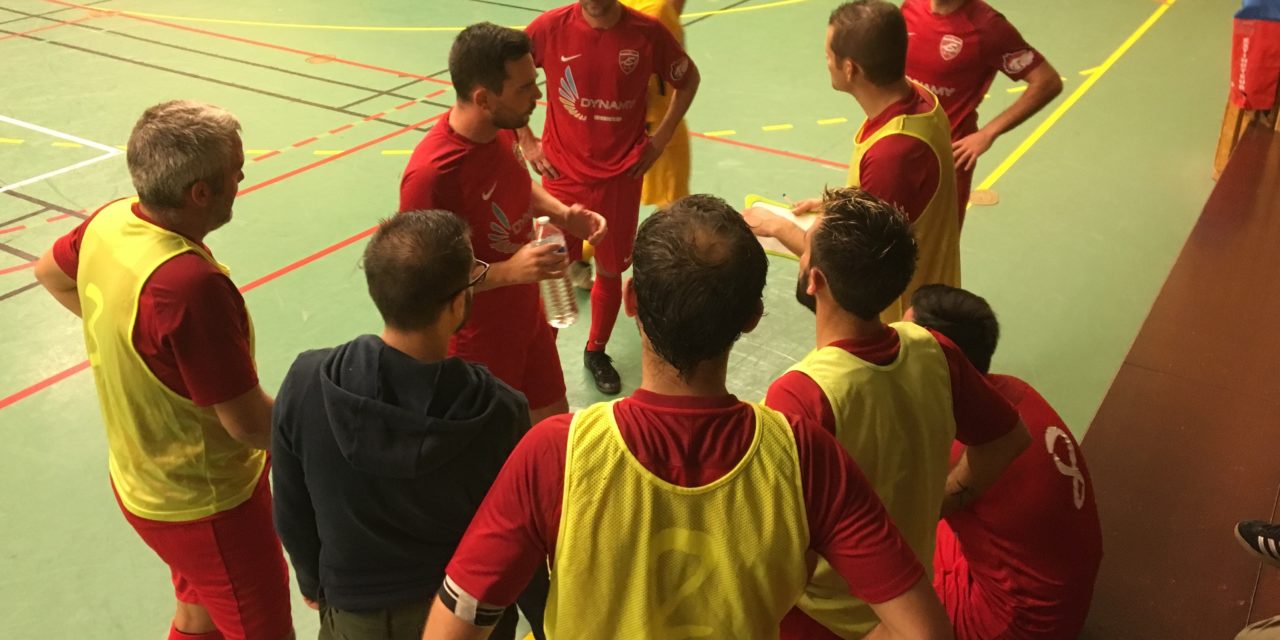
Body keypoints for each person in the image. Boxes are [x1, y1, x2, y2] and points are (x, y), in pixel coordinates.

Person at [420, 195, 954, 640]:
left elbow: (456, 623)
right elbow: (925, 631)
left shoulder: (557, 453)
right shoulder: (804, 456)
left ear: (631, 300)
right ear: (752, 318)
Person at [33, 101, 292, 640]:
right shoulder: (188, 287)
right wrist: (331, 437)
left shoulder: (112, 221)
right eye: (235, 170)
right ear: (201, 193)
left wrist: (138, 345)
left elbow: (50, 273)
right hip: (208, 506)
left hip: (144, 482)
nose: (242, 178)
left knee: (198, 617)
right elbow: (248, 425)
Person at [762, 188, 1030, 640]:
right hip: (910, 600)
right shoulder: (934, 349)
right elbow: (1008, 439)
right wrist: (946, 499)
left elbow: (776, 542)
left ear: (814, 281)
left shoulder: (803, 394)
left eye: (805, 250)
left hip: (824, 615)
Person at [271, 211, 535, 640]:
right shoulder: (499, 411)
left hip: (355, 615)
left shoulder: (307, 382)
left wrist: (312, 580)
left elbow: (290, 504)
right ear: (456, 304)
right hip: (460, 620)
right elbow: (516, 533)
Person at [400, 23, 607, 425]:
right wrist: (509, 271)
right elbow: (427, 280)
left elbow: (517, 183)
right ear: (483, 98)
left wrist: (564, 213)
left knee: (551, 421)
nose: (538, 95)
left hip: (528, 316)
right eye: (525, 87)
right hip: (477, 343)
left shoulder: (501, 129)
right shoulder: (431, 176)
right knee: (494, 443)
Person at [518, 0, 702, 394]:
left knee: (610, 270)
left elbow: (688, 80)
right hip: (562, 176)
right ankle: (541, 352)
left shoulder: (648, 34)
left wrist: (661, 138)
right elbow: (506, 73)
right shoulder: (549, 29)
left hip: (620, 178)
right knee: (551, 269)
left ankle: (596, 350)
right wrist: (525, 139)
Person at [907, 284, 1102, 640]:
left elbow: (896, 515)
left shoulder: (955, 445)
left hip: (1016, 624)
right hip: (1064, 602)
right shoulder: (1012, 390)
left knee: (866, 575)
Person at [746, 0, 958, 323]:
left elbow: (849, 265)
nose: (826, 62)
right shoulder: (920, 99)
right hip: (926, 295)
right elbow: (897, 198)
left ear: (850, 69)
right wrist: (842, 202)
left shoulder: (892, 154)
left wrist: (777, 227)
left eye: (828, 55)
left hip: (899, 320)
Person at [902, 0, 1062, 224]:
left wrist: (988, 133)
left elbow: (1047, 81)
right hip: (900, 146)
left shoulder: (988, 27)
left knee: (934, 240)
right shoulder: (911, 7)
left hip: (948, 157)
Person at [619, 0, 692, 208]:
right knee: (674, 209)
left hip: (645, 125)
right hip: (652, 125)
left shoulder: (616, 10)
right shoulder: (655, 12)